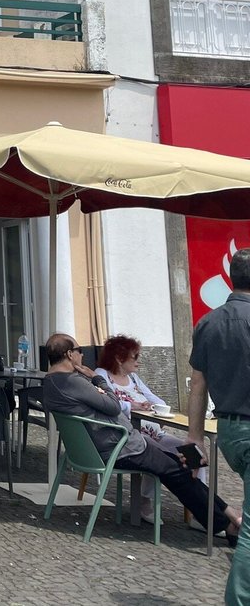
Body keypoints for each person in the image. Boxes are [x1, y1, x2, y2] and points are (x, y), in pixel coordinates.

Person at [42, 332, 240, 546]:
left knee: (178, 464)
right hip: (120, 447)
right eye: (80, 351)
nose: (82, 356)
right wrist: (97, 379)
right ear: (70, 354)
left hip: (103, 447)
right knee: (180, 471)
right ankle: (228, 524)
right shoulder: (73, 381)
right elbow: (113, 405)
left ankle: (229, 515)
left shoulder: (50, 382)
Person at [189, 246, 250, 602]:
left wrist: (195, 437)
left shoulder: (207, 322)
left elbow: (198, 386)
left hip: (228, 430)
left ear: (231, 277)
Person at [94, 334, 177, 444]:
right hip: (128, 436)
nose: (138, 362)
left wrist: (155, 408)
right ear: (119, 359)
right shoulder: (102, 374)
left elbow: (158, 401)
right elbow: (106, 402)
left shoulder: (133, 378)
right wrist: (133, 406)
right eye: (135, 357)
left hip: (153, 434)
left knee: (187, 447)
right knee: (171, 456)